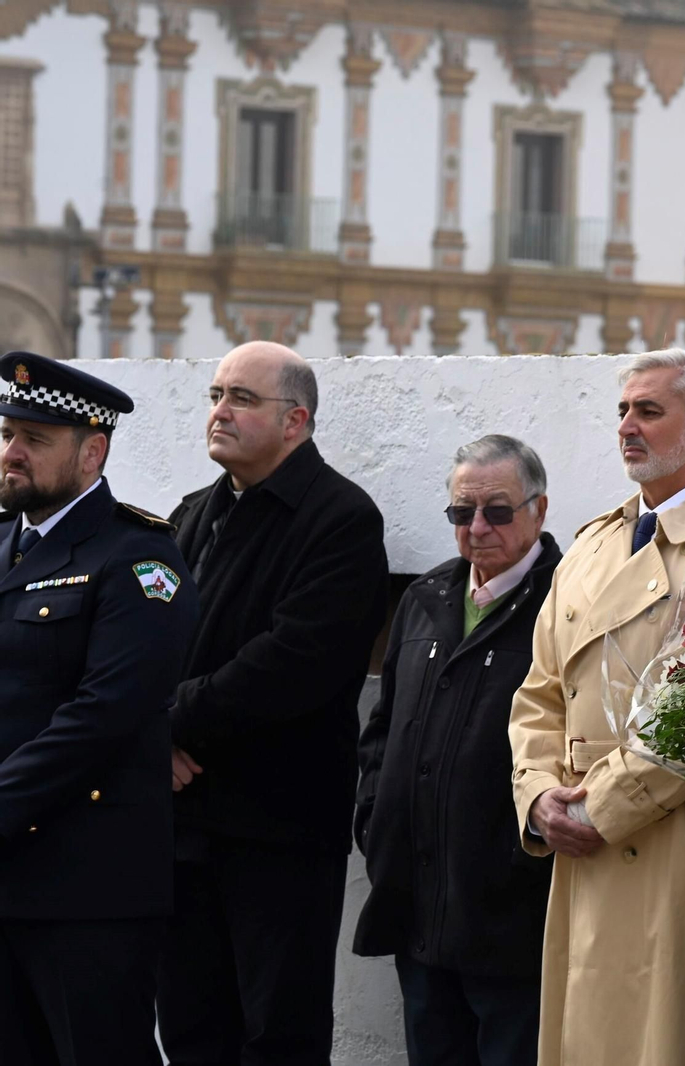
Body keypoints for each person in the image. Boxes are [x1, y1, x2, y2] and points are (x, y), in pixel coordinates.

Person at [507, 349, 685, 1066]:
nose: (627, 427)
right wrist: (539, 793)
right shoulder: (591, 546)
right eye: (622, 411)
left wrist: (596, 810)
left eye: (649, 410)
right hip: (588, 846)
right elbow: (539, 693)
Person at [157, 342, 390, 1065]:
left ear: (297, 420)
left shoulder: (342, 519)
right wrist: (151, 740)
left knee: (276, 1037)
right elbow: (145, 643)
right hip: (179, 823)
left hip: (277, 832)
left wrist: (165, 721)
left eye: (241, 398)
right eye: (216, 394)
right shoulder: (190, 514)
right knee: (191, 1032)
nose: (220, 411)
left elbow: (293, 664)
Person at [0, 351, 199, 1066]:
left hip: (88, 889)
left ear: (92, 452)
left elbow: (103, 713)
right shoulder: (5, 544)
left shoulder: (138, 558)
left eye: (35, 440)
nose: (11, 453)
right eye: (7, 434)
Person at [353, 435, 562, 1064]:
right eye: (461, 513)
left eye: (497, 511)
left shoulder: (567, 602)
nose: (477, 528)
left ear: (539, 510)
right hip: (417, 901)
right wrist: (375, 819)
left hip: (510, 910)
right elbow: (383, 729)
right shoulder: (426, 596)